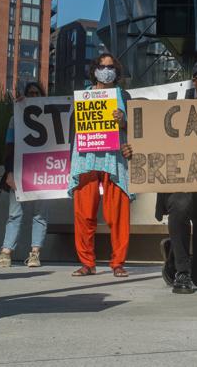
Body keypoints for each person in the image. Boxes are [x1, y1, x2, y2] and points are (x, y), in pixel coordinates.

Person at [123, 58, 197, 294]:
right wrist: (132, 150)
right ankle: (181, 272)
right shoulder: (174, 111)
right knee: (181, 202)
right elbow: (150, 142)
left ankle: (174, 251)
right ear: (194, 81)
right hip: (180, 187)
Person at [68, 53, 133, 277]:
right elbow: (73, 128)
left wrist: (123, 121)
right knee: (84, 213)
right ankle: (87, 263)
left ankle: (118, 263)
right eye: (102, 66)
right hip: (85, 159)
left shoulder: (124, 95)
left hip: (115, 158)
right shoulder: (83, 96)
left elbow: (137, 127)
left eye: (111, 67)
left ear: (117, 71)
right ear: (94, 69)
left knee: (118, 214)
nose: (107, 70)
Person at [0, 81, 50, 269]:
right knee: (14, 214)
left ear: (43, 96)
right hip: (20, 172)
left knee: (40, 215)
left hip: (45, 171)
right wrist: (10, 172)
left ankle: (35, 254)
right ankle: (5, 254)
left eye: (37, 93)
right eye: (30, 93)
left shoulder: (51, 117)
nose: (33, 96)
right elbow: (9, 148)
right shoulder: (15, 118)